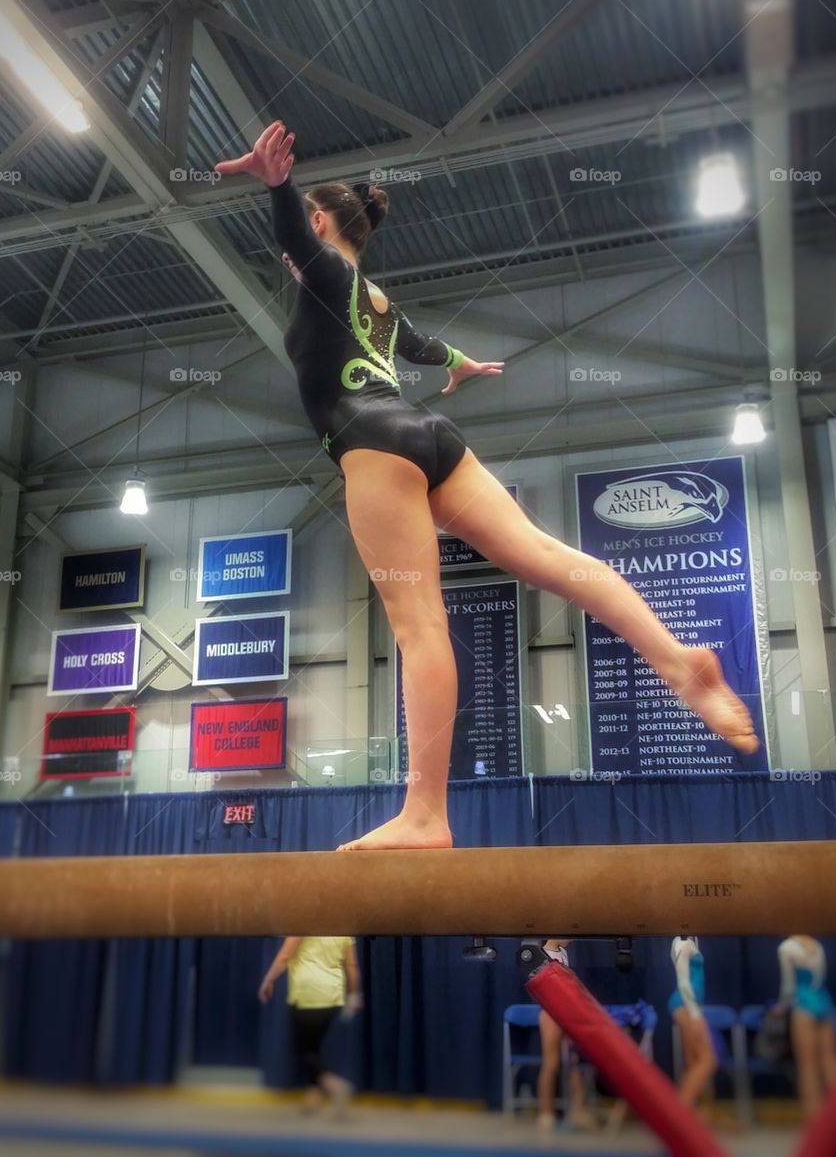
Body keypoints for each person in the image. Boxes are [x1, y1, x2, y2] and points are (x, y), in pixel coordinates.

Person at [216, 122, 759, 851]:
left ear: (318, 224)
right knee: (548, 555)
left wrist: (277, 186)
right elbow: (417, 345)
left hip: (372, 444)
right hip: (432, 439)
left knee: (420, 627)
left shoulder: (324, 271)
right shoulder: (374, 297)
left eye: (302, 231)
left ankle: (425, 815)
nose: (293, 252)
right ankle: (676, 658)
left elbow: (300, 245)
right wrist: (462, 363)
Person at [258, 936, 361, 1114]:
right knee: (313, 1048)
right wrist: (354, 995)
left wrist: (268, 980)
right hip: (333, 996)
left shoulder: (303, 923)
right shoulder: (345, 930)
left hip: (308, 994)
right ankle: (312, 1099)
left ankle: (335, 1084)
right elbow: (351, 966)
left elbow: (284, 956)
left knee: (303, 1050)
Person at [776, 935, 836, 1120]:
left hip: (804, 1005)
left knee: (807, 1068)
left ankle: (814, 1123)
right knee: (830, 1065)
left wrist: (781, 1007)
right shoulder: (817, 945)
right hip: (823, 1001)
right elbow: (820, 978)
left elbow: (788, 988)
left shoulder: (786, 947)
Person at [536, 940, 595, 1133]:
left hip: (567, 1010)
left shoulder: (562, 952)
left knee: (574, 1062)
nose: (571, 938)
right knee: (551, 1063)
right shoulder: (541, 951)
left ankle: (578, 1111)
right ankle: (546, 1113)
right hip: (550, 1011)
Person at [668, 935, 717, 1111]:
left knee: (693, 1062)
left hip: (687, 1005)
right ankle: (680, 1113)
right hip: (685, 1005)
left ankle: (690, 1113)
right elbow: (683, 984)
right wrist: (696, 1015)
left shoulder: (689, 942)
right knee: (707, 1060)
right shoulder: (683, 943)